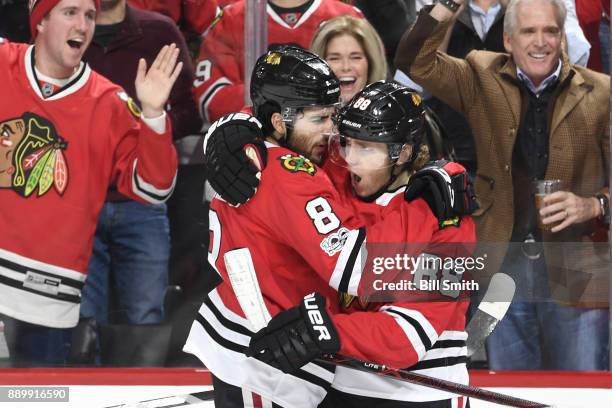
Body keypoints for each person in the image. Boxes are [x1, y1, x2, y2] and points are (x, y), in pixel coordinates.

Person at [184, 46, 476, 407]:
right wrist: (238, 125)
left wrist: (325, 330)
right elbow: (282, 134)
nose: (348, 157)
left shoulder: (450, 221)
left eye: (367, 148)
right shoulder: (328, 175)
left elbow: (409, 334)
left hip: (417, 395)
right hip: (311, 377)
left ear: (402, 154)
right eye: (347, 141)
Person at [395, 0, 610, 370]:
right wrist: (446, 8)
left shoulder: (601, 92)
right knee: (507, 389)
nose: (540, 41)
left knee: (581, 390)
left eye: (550, 31)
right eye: (529, 31)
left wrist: (594, 205)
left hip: (579, 269)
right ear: (508, 40)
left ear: (562, 39)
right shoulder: (482, 76)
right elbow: (415, 61)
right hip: (500, 269)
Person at [0, 0, 180, 366]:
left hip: (49, 299)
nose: (82, 25)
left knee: (38, 402)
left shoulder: (110, 102)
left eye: (90, 16)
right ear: (41, 22)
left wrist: (153, 115)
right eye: (70, 12)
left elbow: (154, 187)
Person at [63, 0, 201, 365]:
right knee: (81, 323)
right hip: (78, 201)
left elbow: (189, 113)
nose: (81, 23)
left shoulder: (159, 32)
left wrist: (145, 124)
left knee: (145, 317)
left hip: (142, 201)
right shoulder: (67, 33)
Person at [192, 0, 363, 124]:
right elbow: (211, 98)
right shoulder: (232, 18)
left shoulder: (347, 16)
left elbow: (369, 85)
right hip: (253, 147)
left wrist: (271, 98)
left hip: (333, 142)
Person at [310, 15, 388, 105]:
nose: (345, 67)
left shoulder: (392, 115)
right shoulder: (300, 117)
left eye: (355, 57)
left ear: (370, 64)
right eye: (335, 58)